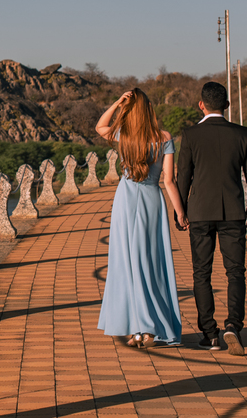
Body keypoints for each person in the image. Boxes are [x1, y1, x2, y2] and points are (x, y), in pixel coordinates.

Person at [95, 88, 186, 348]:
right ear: (149, 110)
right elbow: (169, 180)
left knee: (127, 263)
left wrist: (116, 103)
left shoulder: (124, 135)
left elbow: (100, 127)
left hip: (125, 200)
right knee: (150, 262)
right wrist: (180, 212)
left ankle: (136, 329)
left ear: (129, 112)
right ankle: (149, 329)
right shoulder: (164, 138)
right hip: (151, 201)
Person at [176, 81, 247, 356]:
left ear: (201, 105)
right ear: (226, 106)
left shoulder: (190, 135)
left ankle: (210, 334)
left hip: (200, 213)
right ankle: (233, 325)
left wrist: (182, 211)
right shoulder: (243, 134)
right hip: (234, 213)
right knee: (235, 272)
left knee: (202, 272)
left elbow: (183, 177)